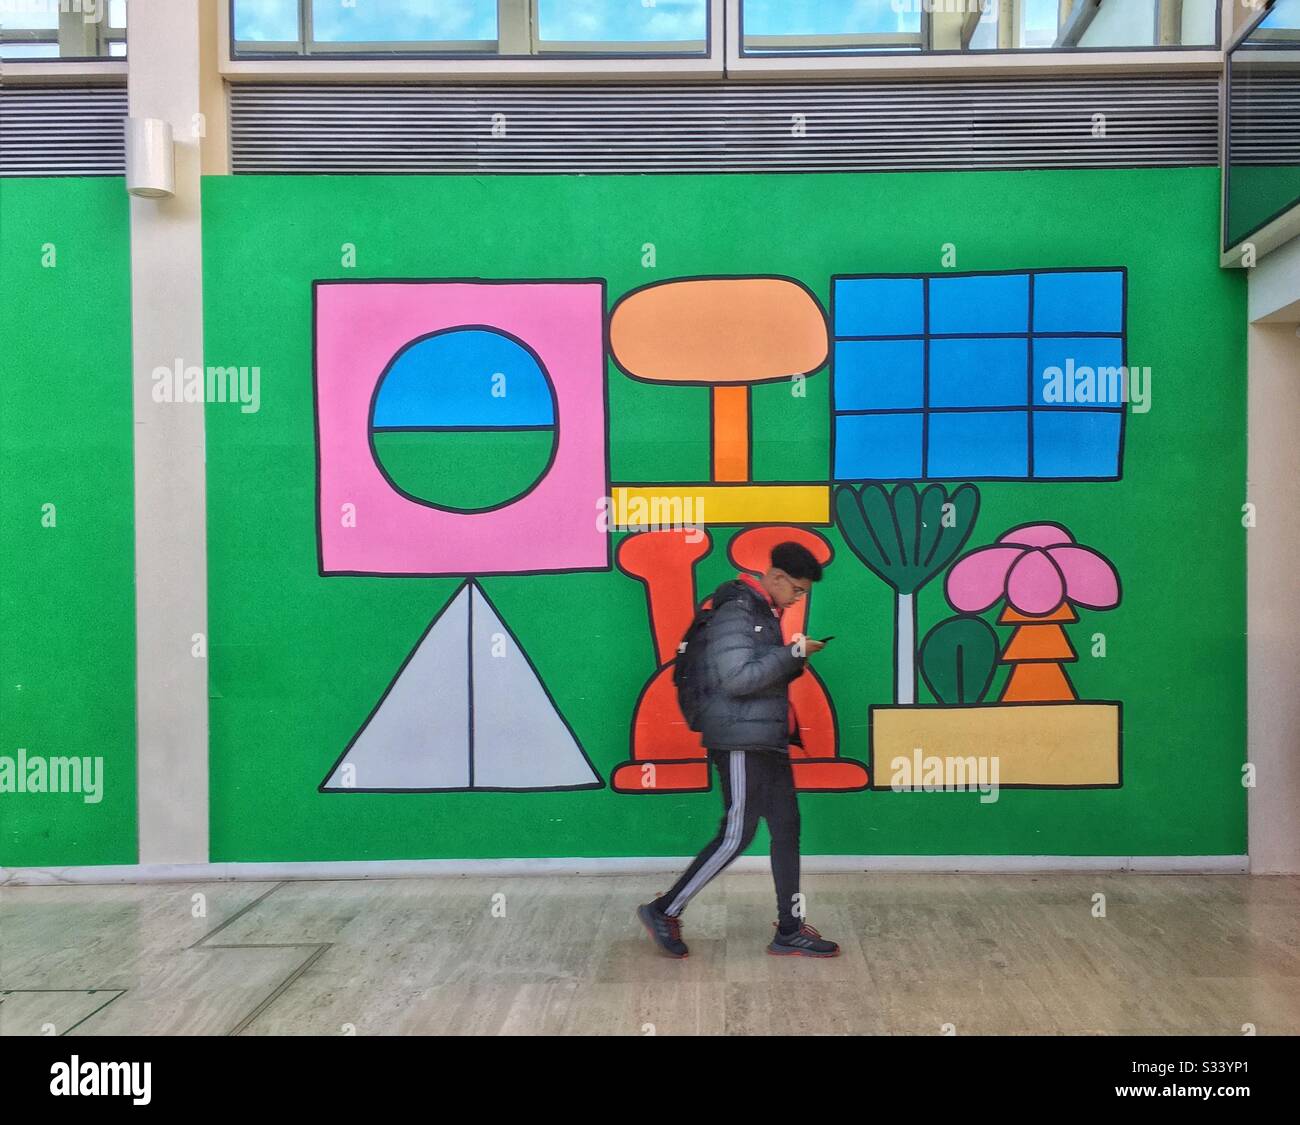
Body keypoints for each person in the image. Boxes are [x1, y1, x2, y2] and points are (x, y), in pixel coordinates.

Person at [637, 541, 839, 958]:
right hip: (740, 739)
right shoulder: (737, 608)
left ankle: (789, 929)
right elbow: (738, 679)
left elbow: (759, 674)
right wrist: (794, 653)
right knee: (737, 833)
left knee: (786, 828)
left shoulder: (763, 611)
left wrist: (791, 657)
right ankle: (664, 909)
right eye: (797, 590)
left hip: (766, 739)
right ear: (777, 578)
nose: (798, 598)